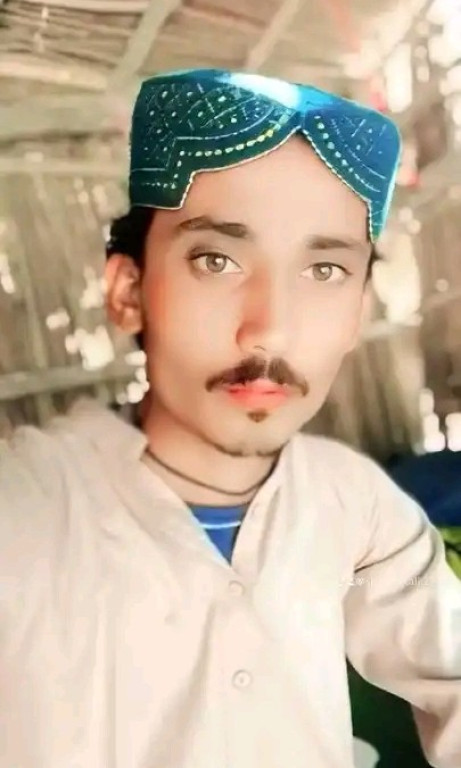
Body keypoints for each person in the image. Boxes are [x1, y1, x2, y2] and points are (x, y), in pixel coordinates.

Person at [0, 69, 460, 768]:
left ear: (356, 316)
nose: (270, 328)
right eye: (216, 259)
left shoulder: (352, 501)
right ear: (128, 291)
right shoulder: (29, 507)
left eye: (324, 271)